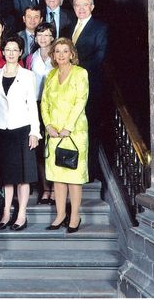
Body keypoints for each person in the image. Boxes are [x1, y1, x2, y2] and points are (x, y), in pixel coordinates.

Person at [0, 36, 41, 231]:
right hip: (2, 130)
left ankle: (21, 214)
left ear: (21, 52)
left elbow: (32, 106)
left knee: (23, 176)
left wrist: (34, 132)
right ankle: (5, 212)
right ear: (3, 52)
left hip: (22, 129)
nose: (11, 53)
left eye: (15, 49)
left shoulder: (28, 75)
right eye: (8, 49)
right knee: (7, 176)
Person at [41, 38, 89, 233]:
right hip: (54, 134)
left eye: (65, 51)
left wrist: (68, 127)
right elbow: (44, 103)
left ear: (72, 54)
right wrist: (49, 126)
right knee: (57, 177)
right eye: (57, 51)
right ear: (53, 55)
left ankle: (75, 217)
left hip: (74, 133)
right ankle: (60, 215)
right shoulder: (50, 75)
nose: (61, 55)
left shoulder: (80, 73)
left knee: (73, 177)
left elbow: (81, 101)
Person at [70, 0, 108, 181]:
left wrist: (74, 71)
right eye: (78, 5)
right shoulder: (69, 27)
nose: (81, 8)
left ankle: (89, 172)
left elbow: (100, 57)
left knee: (89, 129)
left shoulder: (100, 28)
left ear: (92, 7)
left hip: (89, 87)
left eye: (85, 5)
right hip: (69, 90)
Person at [26, 22, 56, 204]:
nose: (43, 38)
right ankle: (45, 189)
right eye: (40, 35)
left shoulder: (58, 55)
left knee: (53, 148)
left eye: (47, 35)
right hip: (35, 105)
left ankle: (55, 189)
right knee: (39, 149)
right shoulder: (31, 58)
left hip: (54, 107)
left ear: (52, 37)